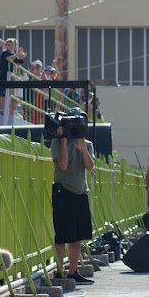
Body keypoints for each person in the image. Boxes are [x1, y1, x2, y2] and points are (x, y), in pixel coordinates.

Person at [51, 116, 95, 284]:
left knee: (77, 237)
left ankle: (73, 271)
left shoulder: (87, 144)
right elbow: (62, 165)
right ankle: (60, 271)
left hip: (80, 192)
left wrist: (83, 149)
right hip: (63, 193)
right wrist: (63, 140)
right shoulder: (57, 142)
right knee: (62, 235)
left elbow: (90, 167)